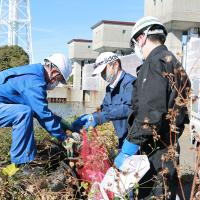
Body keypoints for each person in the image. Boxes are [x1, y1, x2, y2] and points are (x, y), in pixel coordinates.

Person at [0, 53, 72, 180]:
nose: (57, 83)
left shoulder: (31, 74)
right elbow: (42, 114)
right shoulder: (34, 81)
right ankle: (22, 165)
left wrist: (63, 124)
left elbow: (41, 111)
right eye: (59, 79)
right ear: (53, 71)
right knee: (23, 113)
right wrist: (65, 138)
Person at [114, 16, 191, 199]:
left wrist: (130, 146)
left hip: (154, 152)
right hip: (170, 147)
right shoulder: (173, 62)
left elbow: (150, 114)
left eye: (135, 43)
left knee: (151, 193)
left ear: (142, 38)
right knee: (165, 192)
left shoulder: (153, 63)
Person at [72, 52, 136, 149]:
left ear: (115, 65)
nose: (102, 75)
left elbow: (129, 108)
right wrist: (90, 117)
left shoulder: (131, 83)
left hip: (131, 141)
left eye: (103, 71)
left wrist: (98, 118)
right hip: (120, 140)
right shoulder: (110, 88)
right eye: (101, 73)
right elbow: (105, 110)